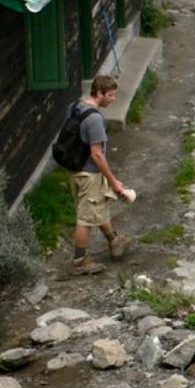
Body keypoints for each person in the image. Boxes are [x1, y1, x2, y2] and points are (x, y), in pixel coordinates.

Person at [67, 75, 133, 275]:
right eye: (110, 95)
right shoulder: (95, 119)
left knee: (97, 204)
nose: (113, 99)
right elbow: (97, 154)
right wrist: (113, 181)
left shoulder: (76, 106)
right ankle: (79, 261)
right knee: (86, 218)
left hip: (75, 168)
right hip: (89, 173)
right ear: (99, 93)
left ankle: (114, 241)